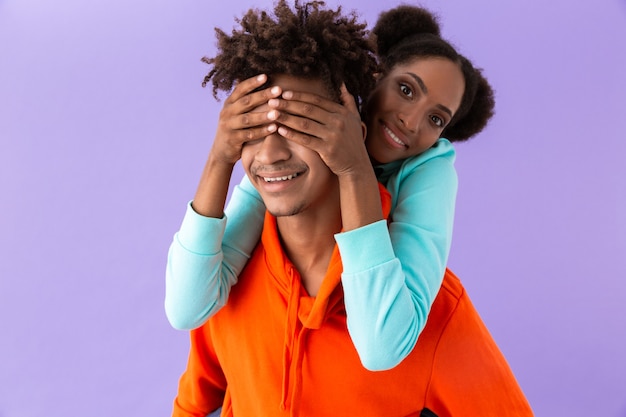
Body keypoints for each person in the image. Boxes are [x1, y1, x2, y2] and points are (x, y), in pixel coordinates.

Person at [170, 1, 532, 416]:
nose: (411, 122)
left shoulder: (433, 305)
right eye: (256, 129)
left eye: (436, 119)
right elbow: (192, 379)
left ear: (348, 132)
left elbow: (382, 348)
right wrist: (221, 156)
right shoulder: (229, 277)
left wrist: (355, 169)